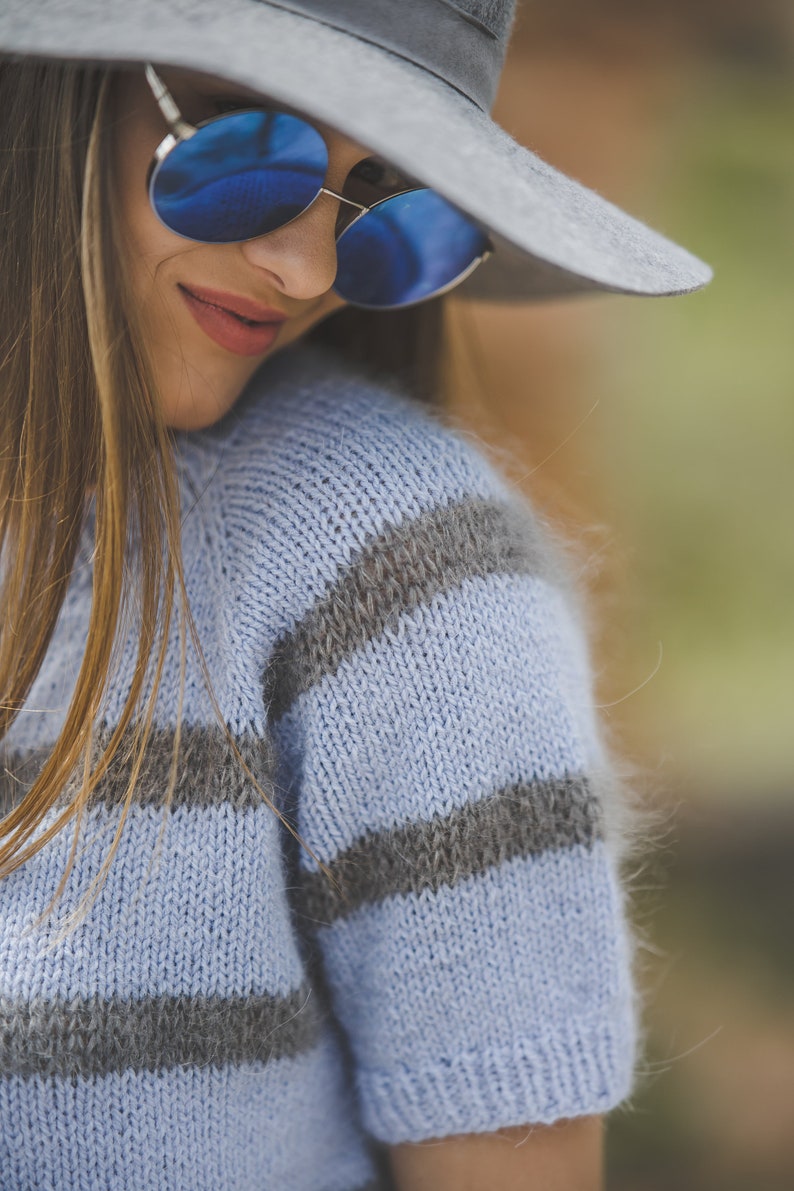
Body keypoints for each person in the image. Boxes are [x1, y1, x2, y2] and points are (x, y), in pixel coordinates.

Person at [0, 2, 711, 1189]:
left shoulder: (404, 575)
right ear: (57, 94)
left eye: (390, 212)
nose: (303, 267)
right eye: (245, 154)